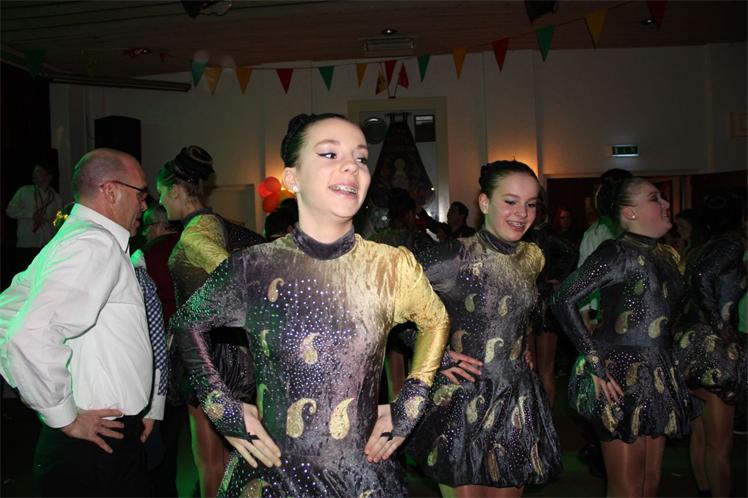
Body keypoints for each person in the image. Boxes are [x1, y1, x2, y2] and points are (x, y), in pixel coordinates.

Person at [169, 113, 450, 496]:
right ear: (292, 178)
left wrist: (412, 401)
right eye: (330, 154)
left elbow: (435, 320)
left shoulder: (392, 267)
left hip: (361, 475)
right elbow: (187, 322)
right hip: (274, 476)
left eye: (360, 157)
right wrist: (221, 406)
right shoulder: (254, 267)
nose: (352, 166)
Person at [0, 148, 154, 496]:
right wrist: (63, 416)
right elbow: (27, 335)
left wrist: (37, 394)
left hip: (94, 441)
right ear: (110, 190)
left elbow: (5, 314)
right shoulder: (93, 244)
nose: (144, 205)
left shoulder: (77, 238)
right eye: (140, 193)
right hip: (95, 445)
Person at [408, 160, 562, 498]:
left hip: (514, 397)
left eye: (531, 204)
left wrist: (522, 346)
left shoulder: (532, 257)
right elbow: (387, 305)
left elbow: (518, 311)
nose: (522, 213)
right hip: (462, 397)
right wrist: (438, 357)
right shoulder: (454, 255)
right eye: (510, 201)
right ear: (484, 202)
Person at [551, 175, 694, 497]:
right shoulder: (616, 251)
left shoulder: (666, 254)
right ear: (630, 212)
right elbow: (563, 299)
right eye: (655, 198)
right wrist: (594, 361)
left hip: (656, 370)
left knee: (650, 481)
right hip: (619, 373)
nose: (666, 203)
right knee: (628, 485)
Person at [156, 145, 256, 498]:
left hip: (209, 355)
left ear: (176, 190)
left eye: (161, 193)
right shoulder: (215, 223)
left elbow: (234, 281)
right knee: (227, 459)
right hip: (225, 351)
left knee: (209, 461)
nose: (161, 202)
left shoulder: (196, 233)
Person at [674, 192, 746, 498]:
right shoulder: (731, 245)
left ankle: (705, 491)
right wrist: (719, 324)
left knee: (702, 434)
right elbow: (703, 278)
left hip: (690, 342)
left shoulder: (699, 248)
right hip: (712, 349)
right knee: (720, 443)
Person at [131, 204, 183, 497]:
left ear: (160, 226)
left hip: (163, 351)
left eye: (148, 226)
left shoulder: (146, 255)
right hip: (199, 351)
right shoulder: (191, 245)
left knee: (159, 432)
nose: (144, 232)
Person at [524, 193, 578, 407]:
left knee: (543, 368)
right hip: (531, 304)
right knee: (534, 367)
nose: (529, 212)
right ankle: (539, 419)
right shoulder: (527, 235)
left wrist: (558, 277)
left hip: (543, 304)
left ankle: (545, 421)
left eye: (533, 207)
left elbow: (572, 252)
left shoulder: (545, 235)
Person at [5, 163, 63, 275]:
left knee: (42, 277)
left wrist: (50, 221)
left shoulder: (56, 197)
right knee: (24, 277)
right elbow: (10, 210)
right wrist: (31, 214)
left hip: (47, 245)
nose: (34, 174)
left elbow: (59, 222)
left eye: (39, 171)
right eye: (35, 171)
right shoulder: (24, 191)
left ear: (49, 176)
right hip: (27, 242)